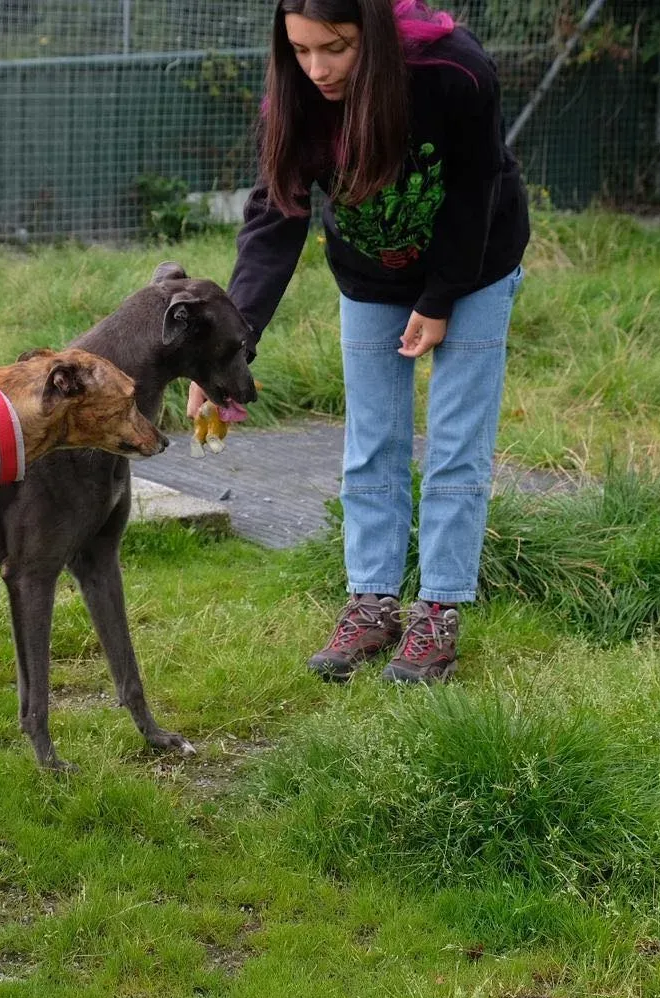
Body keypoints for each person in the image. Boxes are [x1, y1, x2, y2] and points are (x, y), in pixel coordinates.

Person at [190, 0, 529, 683]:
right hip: (371, 273)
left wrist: (440, 300)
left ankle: (438, 612)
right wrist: (225, 353)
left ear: (370, 32)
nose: (317, 69)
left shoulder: (452, 70)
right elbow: (274, 219)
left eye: (336, 48)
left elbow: (474, 187)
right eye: (301, 50)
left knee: (458, 442)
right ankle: (372, 603)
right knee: (372, 440)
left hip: (476, 263)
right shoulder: (300, 95)